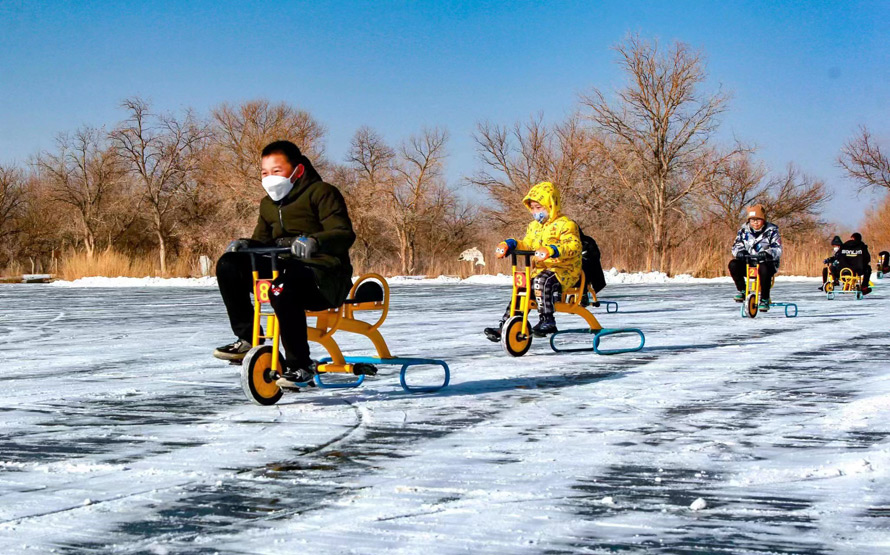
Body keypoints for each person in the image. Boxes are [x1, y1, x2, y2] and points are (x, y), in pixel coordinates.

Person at [213, 140, 356, 382]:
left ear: (297, 170)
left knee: (282, 286)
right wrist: (248, 245)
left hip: (322, 278)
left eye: (276, 171)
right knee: (229, 264)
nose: (270, 178)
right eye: (265, 173)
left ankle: (300, 364)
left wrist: (315, 241)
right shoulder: (268, 204)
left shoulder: (322, 193)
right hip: (284, 270)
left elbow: (343, 233)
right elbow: (261, 243)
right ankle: (250, 339)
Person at [483, 181, 582, 340]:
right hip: (542, 271)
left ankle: (547, 320)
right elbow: (528, 243)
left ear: (551, 205)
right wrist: (511, 244)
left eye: (540, 207)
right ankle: (507, 324)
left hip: (564, 271)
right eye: (533, 208)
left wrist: (552, 250)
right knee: (522, 286)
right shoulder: (534, 227)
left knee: (541, 280)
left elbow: (573, 246)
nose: (536, 212)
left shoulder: (566, 225)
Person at [728, 204, 782, 311]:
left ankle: (765, 298)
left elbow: (778, 248)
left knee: (764, 268)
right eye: (752, 220)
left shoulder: (772, 231)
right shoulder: (744, 231)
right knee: (733, 264)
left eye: (758, 220)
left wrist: (767, 253)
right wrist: (740, 252)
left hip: (766, 262)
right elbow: (736, 246)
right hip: (749, 261)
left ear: (763, 220)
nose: (755, 223)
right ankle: (743, 291)